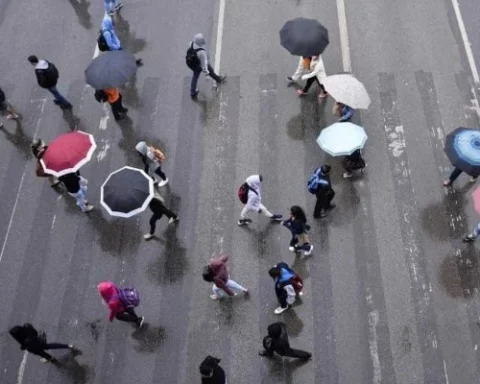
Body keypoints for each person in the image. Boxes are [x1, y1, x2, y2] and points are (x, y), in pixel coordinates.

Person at [9, 323, 77, 363]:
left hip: (34, 346)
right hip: (39, 340)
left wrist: (23, 346)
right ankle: (68, 346)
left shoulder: (25, 341)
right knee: (50, 346)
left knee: (40, 352)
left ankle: (50, 358)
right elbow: (35, 332)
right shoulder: (27, 326)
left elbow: (23, 347)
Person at [187, 33, 226, 98]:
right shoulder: (201, 52)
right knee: (210, 70)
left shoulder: (191, 43)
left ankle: (192, 92)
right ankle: (218, 79)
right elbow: (204, 65)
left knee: (195, 77)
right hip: (199, 65)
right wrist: (206, 74)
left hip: (193, 64)